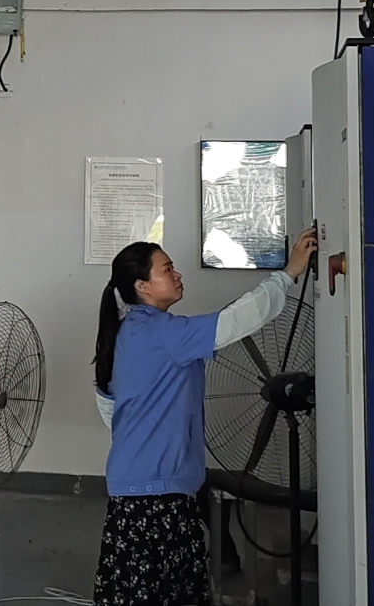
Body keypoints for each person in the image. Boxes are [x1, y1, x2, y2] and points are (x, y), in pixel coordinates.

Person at [91, 229, 318, 606]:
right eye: (167, 269)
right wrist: (288, 274)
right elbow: (235, 321)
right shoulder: (162, 332)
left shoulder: (131, 330)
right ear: (142, 286)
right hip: (156, 495)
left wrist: (141, 441)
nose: (177, 274)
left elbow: (108, 403)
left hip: (138, 485)